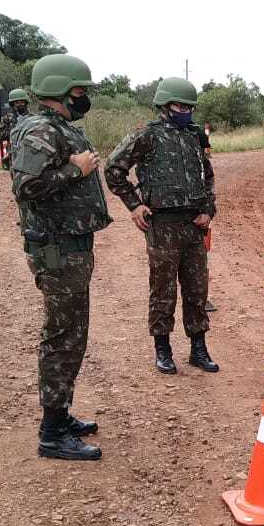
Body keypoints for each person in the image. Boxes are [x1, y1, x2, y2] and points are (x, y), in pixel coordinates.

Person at [10, 55, 110, 461]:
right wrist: (77, 171)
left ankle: (61, 413)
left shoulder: (58, 129)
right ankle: (52, 433)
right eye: (81, 91)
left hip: (70, 249)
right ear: (62, 89)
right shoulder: (39, 130)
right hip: (57, 252)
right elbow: (27, 185)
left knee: (73, 336)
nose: (84, 98)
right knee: (61, 337)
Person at [105, 76, 219, 375]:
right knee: (163, 289)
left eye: (189, 107)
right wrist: (134, 205)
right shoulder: (147, 135)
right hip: (162, 224)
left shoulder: (195, 136)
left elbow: (208, 176)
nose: (186, 111)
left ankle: (198, 348)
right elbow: (113, 169)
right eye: (180, 105)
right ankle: (163, 348)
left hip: (193, 224)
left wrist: (209, 210)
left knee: (197, 289)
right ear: (165, 106)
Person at [0, 88, 29, 169]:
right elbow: (0, 135)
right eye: (17, 102)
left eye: (22, 102)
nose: (20, 104)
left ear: (26, 102)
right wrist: (14, 132)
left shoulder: (31, 117)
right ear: (12, 104)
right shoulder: (8, 117)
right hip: (13, 150)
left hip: (28, 149)